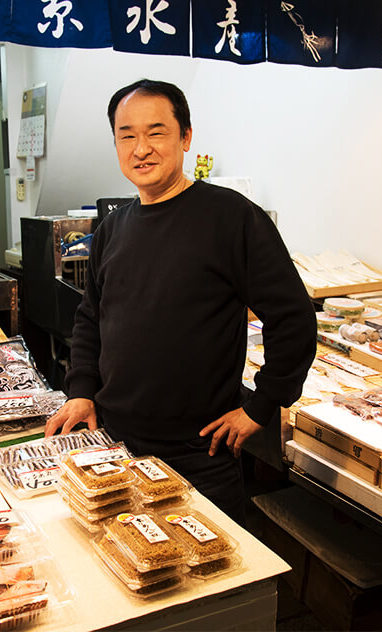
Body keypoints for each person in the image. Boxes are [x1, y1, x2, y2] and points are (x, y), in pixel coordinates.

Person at [44, 79, 318, 525]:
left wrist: (262, 405)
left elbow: (293, 318)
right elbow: (91, 319)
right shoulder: (112, 230)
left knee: (211, 583)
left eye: (156, 132)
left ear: (185, 137)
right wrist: (80, 392)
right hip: (113, 444)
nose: (141, 149)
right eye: (126, 135)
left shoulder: (231, 217)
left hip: (201, 454)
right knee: (127, 573)